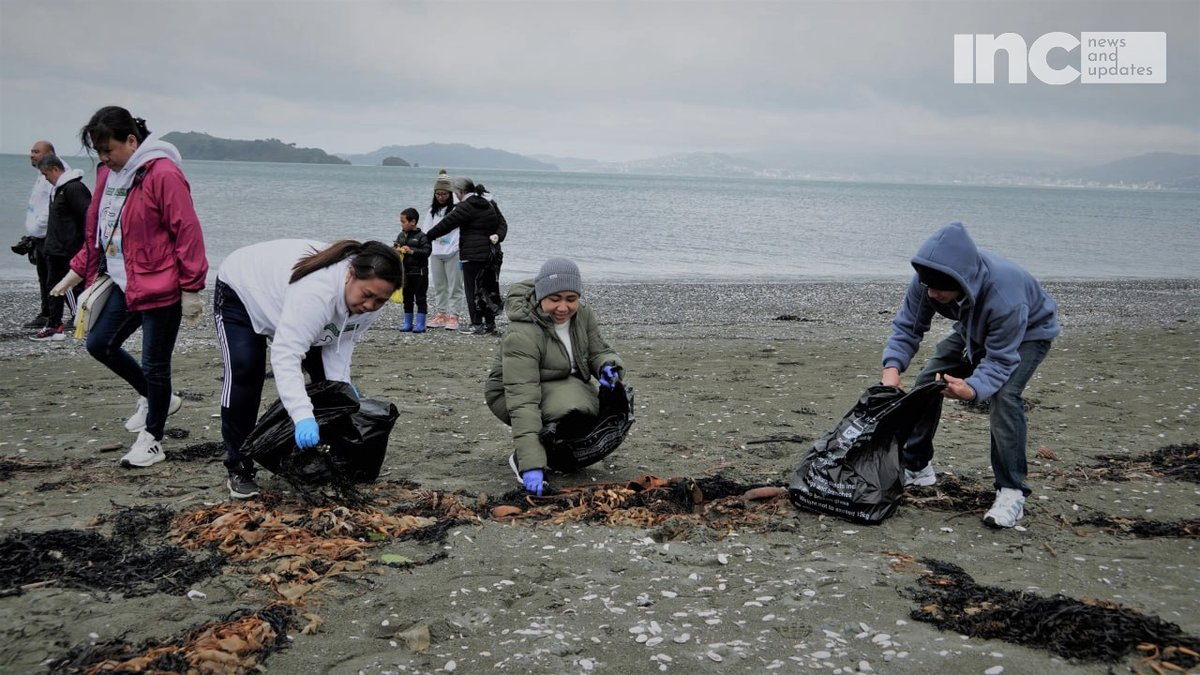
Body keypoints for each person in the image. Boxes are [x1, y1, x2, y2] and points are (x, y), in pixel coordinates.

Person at [51, 106, 207, 469]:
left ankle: (153, 439)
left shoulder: (163, 174)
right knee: (99, 343)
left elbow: (187, 230)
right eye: (98, 151)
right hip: (124, 280)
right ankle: (158, 399)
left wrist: (191, 288)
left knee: (155, 364)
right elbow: (100, 228)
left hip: (162, 284)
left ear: (132, 141)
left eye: (108, 150)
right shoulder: (109, 174)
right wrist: (77, 269)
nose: (104, 158)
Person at [880, 222, 1060, 528]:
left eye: (939, 288)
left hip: (1028, 333)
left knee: (1004, 396)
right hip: (973, 329)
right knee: (927, 384)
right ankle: (917, 466)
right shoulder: (928, 281)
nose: (931, 293)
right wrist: (891, 370)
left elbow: (1000, 360)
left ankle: (1012, 491)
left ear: (961, 281)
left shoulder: (1006, 295)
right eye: (927, 285)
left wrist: (972, 389)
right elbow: (908, 326)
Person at [213, 239, 403, 499]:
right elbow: (286, 354)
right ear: (350, 274)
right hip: (243, 291)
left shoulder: (369, 303)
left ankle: (320, 459)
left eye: (380, 301)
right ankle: (238, 466)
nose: (370, 305)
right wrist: (302, 416)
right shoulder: (316, 294)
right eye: (367, 295)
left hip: (293, 306)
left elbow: (340, 342)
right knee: (245, 372)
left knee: (331, 389)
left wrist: (342, 386)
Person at [485, 258, 624, 495]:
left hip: (563, 385)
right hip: (510, 393)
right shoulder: (522, 334)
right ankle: (523, 457)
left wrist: (607, 367)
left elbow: (598, 351)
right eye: (555, 299)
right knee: (575, 407)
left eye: (571, 299)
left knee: (610, 403)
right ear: (541, 297)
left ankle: (556, 445)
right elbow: (523, 400)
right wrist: (532, 465)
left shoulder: (583, 315)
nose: (563, 307)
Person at [425, 176, 507, 336]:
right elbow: (502, 223)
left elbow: (447, 223)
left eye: (455, 191)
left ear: (460, 191)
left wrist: (427, 236)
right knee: (488, 288)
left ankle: (477, 324)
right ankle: (490, 324)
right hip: (492, 254)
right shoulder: (489, 202)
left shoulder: (466, 206)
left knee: (472, 290)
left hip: (472, 255)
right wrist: (498, 236)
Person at [31, 155, 89, 341]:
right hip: (55, 249)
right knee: (53, 287)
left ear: (55, 169)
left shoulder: (73, 188)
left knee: (73, 287)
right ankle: (54, 326)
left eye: (46, 174)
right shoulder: (58, 190)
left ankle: (84, 321)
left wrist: (83, 245)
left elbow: (88, 217)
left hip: (68, 250)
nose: (45, 178)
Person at [23, 140, 59, 328]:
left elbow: (51, 207)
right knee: (43, 276)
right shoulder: (41, 174)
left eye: (36, 151)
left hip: (48, 235)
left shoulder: (54, 174)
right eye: (32, 151)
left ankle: (70, 314)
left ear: (49, 154)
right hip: (39, 236)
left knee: (55, 277)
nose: (32, 155)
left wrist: (38, 227)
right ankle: (46, 313)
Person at [426, 170, 466, 331]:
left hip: (453, 252)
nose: (441, 197)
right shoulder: (432, 211)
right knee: (439, 285)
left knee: (455, 285)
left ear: (450, 194)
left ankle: (454, 315)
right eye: (438, 194)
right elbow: (427, 231)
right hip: (436, 252)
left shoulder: (457, 209)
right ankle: (441, 313)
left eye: (444, 194)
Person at [394, 207, 432, 332]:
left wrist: (411, 251)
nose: (401, 224)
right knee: (407, 298)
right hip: (406, 273)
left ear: (413, 222)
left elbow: (426, 252)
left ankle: (420, 324)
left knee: (420, 298)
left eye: (403, 221)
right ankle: (407, 323)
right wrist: (396, 250)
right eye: (401, 221)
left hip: (419, 273)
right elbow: (395, 246)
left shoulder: (422, 237)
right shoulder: (401, 235)